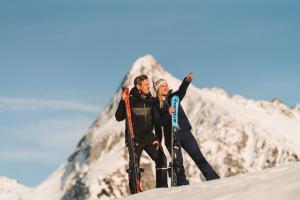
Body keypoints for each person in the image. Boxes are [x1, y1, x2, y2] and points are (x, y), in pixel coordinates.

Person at [154, 73, 220, 184]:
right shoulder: (156, 105)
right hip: (171, 136)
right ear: (157, 90)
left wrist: (186, 82)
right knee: (178, 164)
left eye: (166, 85)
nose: (165, 87)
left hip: (184, 132)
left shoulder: (174, 97)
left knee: (198, 157)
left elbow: (181, 92)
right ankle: (182, 185)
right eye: (162, 86)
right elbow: (157, 122)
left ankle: (213, 179)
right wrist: (167, 113)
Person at [115, 74, 168, 193]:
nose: (148, 86)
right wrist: (123, 101)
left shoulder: (151, 100)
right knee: (134, 166)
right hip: (135, 138)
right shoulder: (131, 99)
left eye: (148, 84)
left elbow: (157, 121)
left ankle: (162, 189)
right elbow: (118, 117)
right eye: (146, 84)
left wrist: (158, 139)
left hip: (150, 138)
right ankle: (135, 193)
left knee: (161, 159)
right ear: (138, 86)